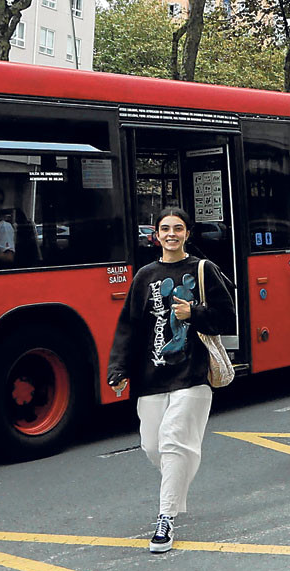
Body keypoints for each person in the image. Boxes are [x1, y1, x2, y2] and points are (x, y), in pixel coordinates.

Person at [107, 207, 235, 553]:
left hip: (192, 374)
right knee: (153, 446)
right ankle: (174, 487)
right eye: (165, 229)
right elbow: (128, 327)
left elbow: (228, 316)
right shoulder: (144, 276)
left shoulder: (202, 269)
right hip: (151, 377)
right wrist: (117, 369)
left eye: (178, 228)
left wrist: (194, 313)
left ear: (187, 234)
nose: (171, 234)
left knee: (175, 439)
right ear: (157, 235)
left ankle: (165, 519)